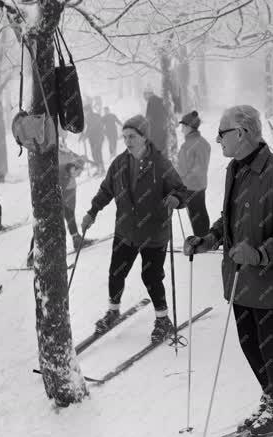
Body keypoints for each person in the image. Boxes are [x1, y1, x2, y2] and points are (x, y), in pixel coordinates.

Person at [184, 105, 273, 437]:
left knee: (270, 341)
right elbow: (229, 219)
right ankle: (271, 397)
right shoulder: (234, 170)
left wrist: (259, 254)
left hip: (271, 278)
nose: (218, 140)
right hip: (241, 277)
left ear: (241, 133)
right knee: (248, 340)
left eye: (222, 133)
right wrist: (208, 239)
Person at [81, 115, 188, 341]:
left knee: (151, 276)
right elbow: (106, 190)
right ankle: (112, 311)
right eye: (125, 137)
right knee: (116, 273)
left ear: (144, 137)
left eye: (132, 136)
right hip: (126, 231)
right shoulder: (120, 163)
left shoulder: (160, 164)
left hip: (153, 232)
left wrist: (176, 199)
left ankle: (162, 319)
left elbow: (181, 190)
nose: (128, 141)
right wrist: (92, 212)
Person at [175, 111, 211, 236]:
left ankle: (202, 239)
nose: (181, 130)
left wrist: (184, 179)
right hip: (191, 185)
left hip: (194, 186)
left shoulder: (199, 144)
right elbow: (182, 166)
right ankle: (203, 238)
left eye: (183, 127)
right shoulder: (189, 143)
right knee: (197, 211)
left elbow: (199, 168)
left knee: (197, 213)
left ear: (189, 127)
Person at [81, 105, 106, 175]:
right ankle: (99, 168)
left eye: (85, 111)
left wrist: (85, 136)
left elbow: (92, 128)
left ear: (88, 111)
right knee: (94, 154)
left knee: (97, 153)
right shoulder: (88, 117)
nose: (84, 113)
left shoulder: (94, 116)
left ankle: (101, 169)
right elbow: (87, 127)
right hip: (92, 139)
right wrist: (82, 136)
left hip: (98, 137)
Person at [144, 87, 169, 155]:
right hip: (163, 130)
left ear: (148, 94)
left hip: (154, 131)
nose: (144, 98)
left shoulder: (151, 101)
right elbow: (166, 113)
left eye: (144, 95)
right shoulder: (160, 100)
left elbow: (148, 118)